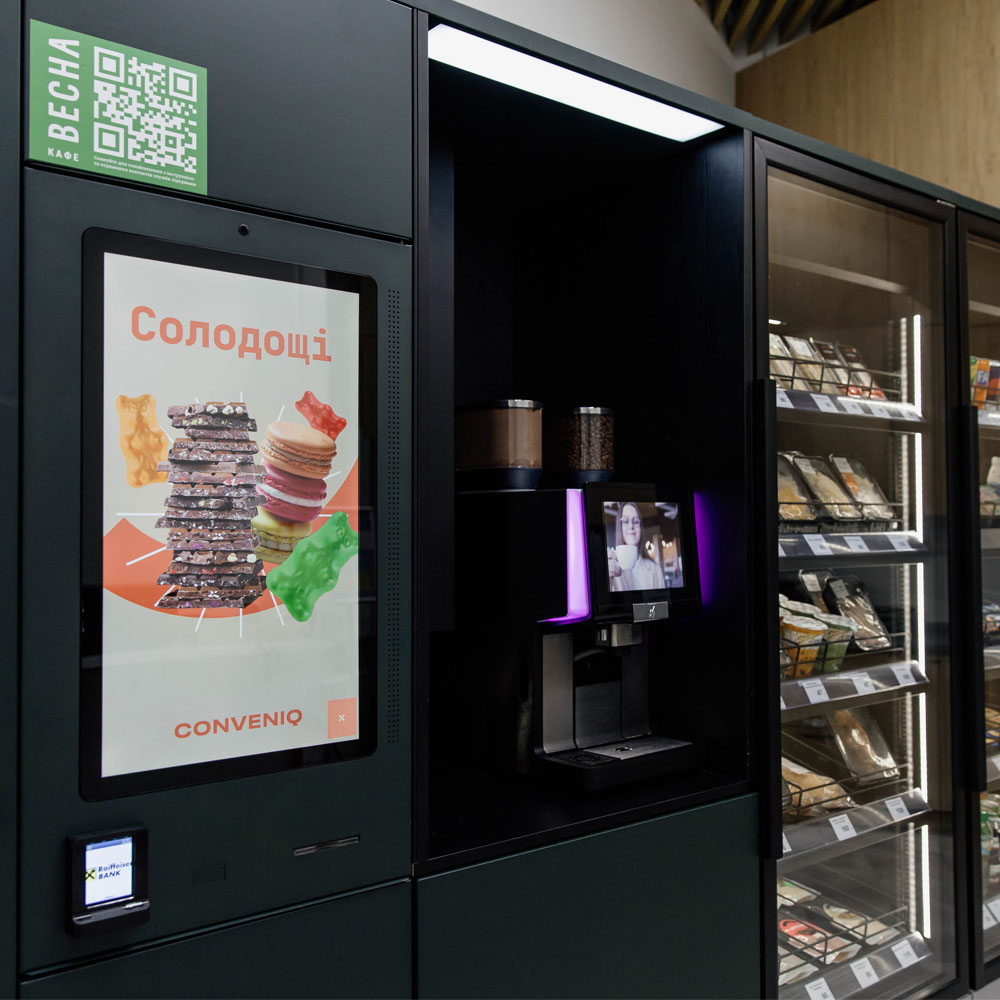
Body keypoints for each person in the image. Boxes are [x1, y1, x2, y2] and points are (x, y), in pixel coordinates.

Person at [607, 501, 662, 591]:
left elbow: (663, 600)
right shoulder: (610, 568)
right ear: (620, 527)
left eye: (636, 521)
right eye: (625, 521)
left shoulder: (656, 570)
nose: (631, 526)